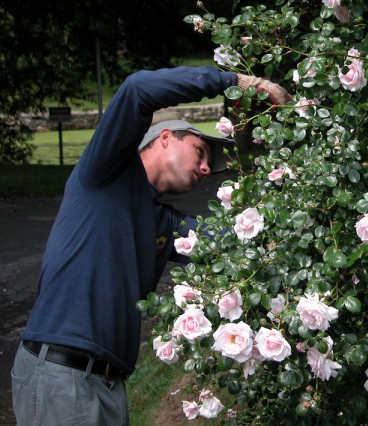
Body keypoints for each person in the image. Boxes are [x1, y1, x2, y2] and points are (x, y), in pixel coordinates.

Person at [11, 65, 289, 425]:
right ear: (165, 137)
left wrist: (285, 154)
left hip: (109, 383)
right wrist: (236, 82)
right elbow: (137, 89)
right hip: (61, 372)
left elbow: (241, 239)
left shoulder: (163, 222)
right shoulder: (106, 173)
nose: (206, 169)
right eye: (201, 151)